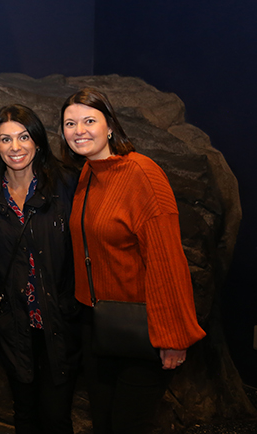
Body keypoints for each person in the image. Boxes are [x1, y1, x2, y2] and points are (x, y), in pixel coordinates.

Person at [60, 88, 206, 434]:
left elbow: (167, 259)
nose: (79, 130)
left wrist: (173, 335)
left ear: (109, 126)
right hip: (97, 326)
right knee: (105, 424)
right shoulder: (88, 174)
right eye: (70, 123)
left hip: (142, 329)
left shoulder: (143, 173)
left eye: (89, 121)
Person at [0, 104, 80, 434]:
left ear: (37, 140)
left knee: (56, 418)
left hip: (59, 322)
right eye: (5, 139)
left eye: (23, 137)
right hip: (14, 324)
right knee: (24, 416)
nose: (16, 147)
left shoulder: (66, 185)